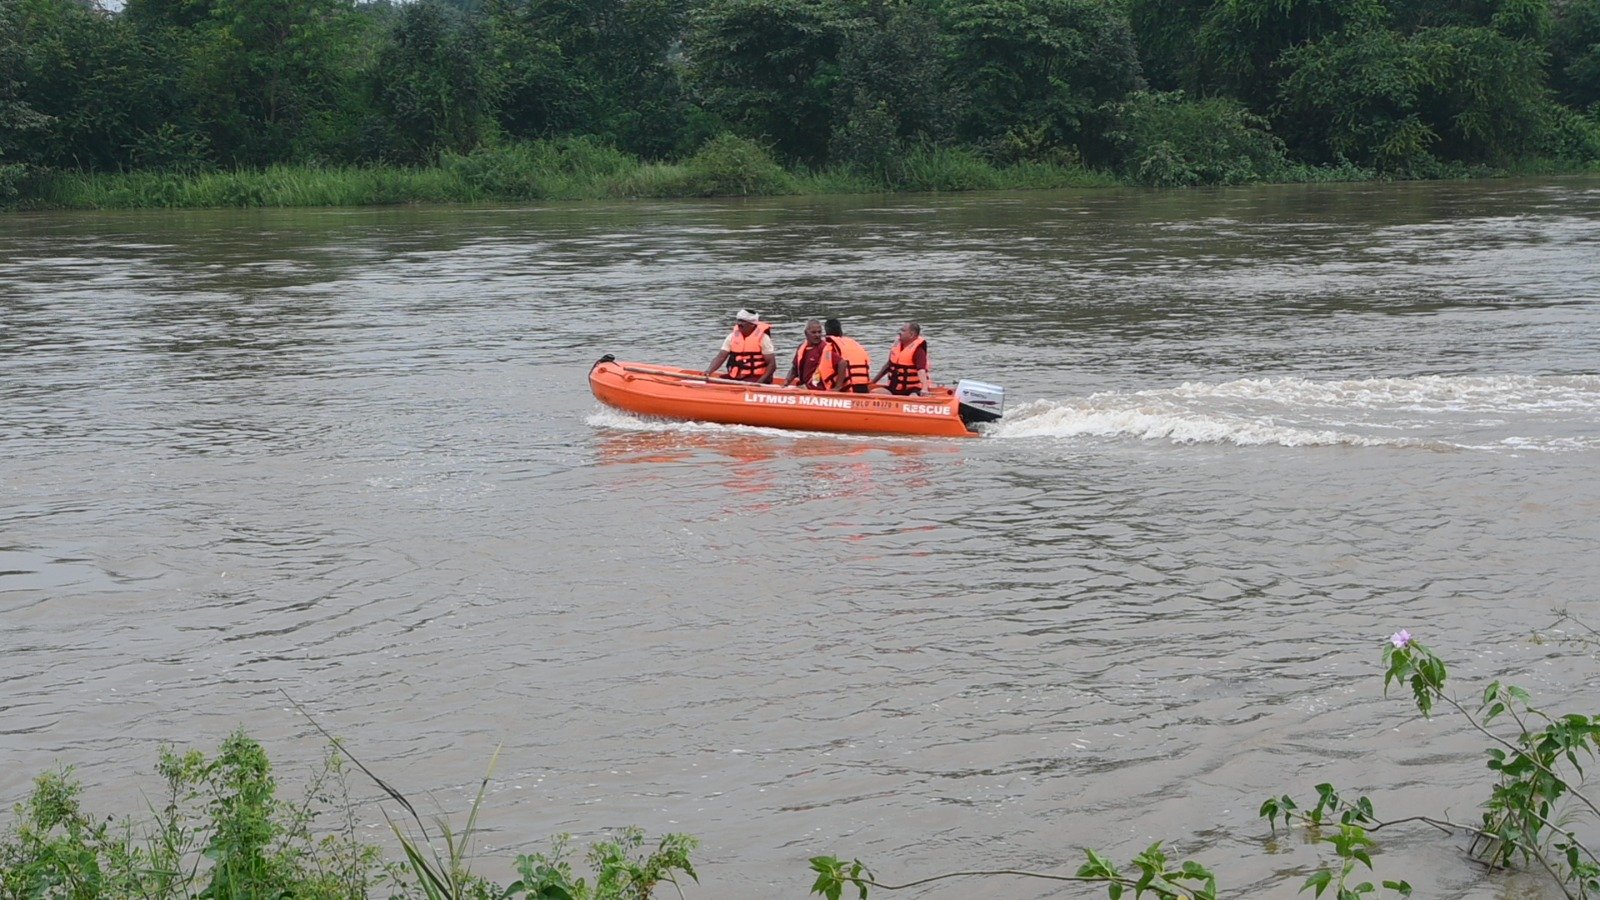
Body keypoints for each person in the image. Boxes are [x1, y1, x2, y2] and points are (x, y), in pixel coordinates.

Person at [705, 308, 775, 383]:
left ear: (752, 324)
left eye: (743, 321)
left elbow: (772, 364)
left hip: (757, 378)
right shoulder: (731, 337)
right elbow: (721, 357)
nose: (739, 324)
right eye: (738, 320)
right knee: (717, 381)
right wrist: (708, 371)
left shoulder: (764, 338)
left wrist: (759, 382)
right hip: (737, 377)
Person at [872, 321, 930, 396]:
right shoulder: (896, 346)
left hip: (912, 390)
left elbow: (921, 370)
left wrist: (924, 388)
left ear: (911, 334)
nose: (899, 332)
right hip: (893, 388)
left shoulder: (918, 350)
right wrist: (872, 383)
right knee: (873, 392)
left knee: (913, 397)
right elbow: (887, 366)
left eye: (903, 330)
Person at [784, 319, 843, 389]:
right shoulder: (801, 348)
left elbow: (842, 363)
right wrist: (786, 382)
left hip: (820, 389)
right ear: (806, 333)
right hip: (805, 387)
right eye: (814, 332)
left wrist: (838, 387)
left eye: (819, 332)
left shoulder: (824, 348)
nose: (817, 335)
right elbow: (794, 369)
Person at [823, 318, 872, 393]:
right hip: (864, 387)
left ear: (826, 332)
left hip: (849, 389)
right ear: (841, 331)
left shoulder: (830, 346)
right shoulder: (853, 343)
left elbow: (840, 364)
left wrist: (837, 387)